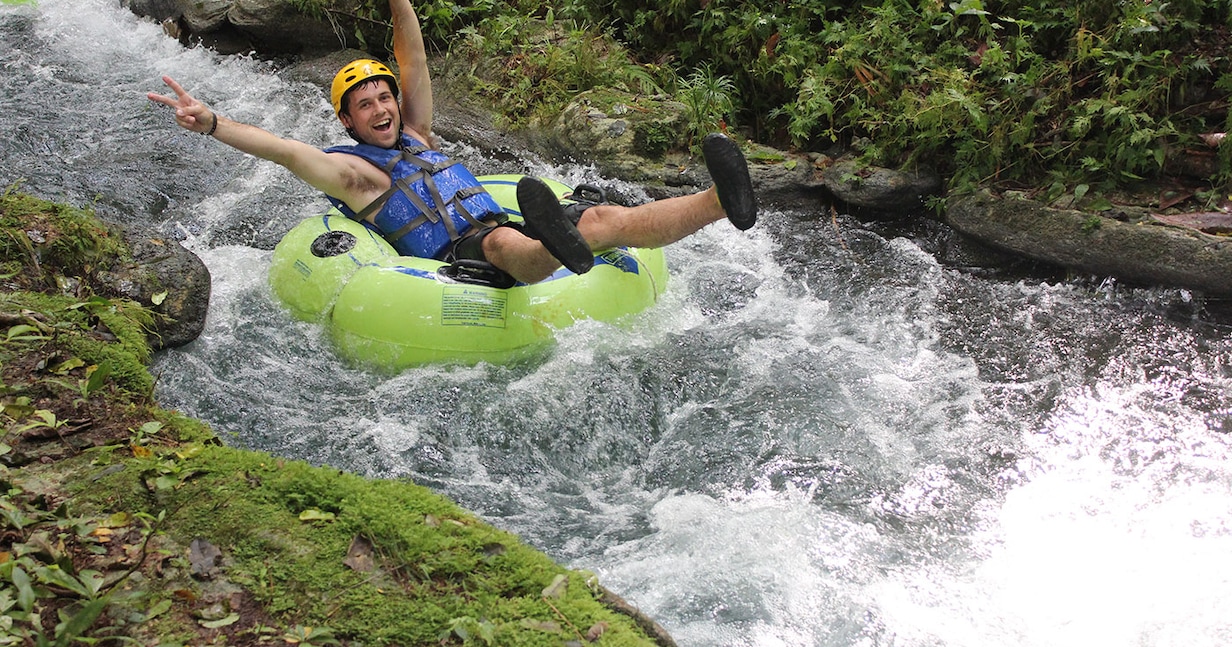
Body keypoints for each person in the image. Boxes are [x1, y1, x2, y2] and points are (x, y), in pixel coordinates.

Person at [147, 0, 757, 285]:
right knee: (501, 241)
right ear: (349, 124)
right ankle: (553, 247)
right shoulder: (354, 173)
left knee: (600, 214)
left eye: (384, 97)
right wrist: (213, 123)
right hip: (460, 258)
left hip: (503, 219)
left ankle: (719, 201)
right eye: (366, 105)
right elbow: (283, 149)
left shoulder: (416, 133)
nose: (383, 107)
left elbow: (411, 59)